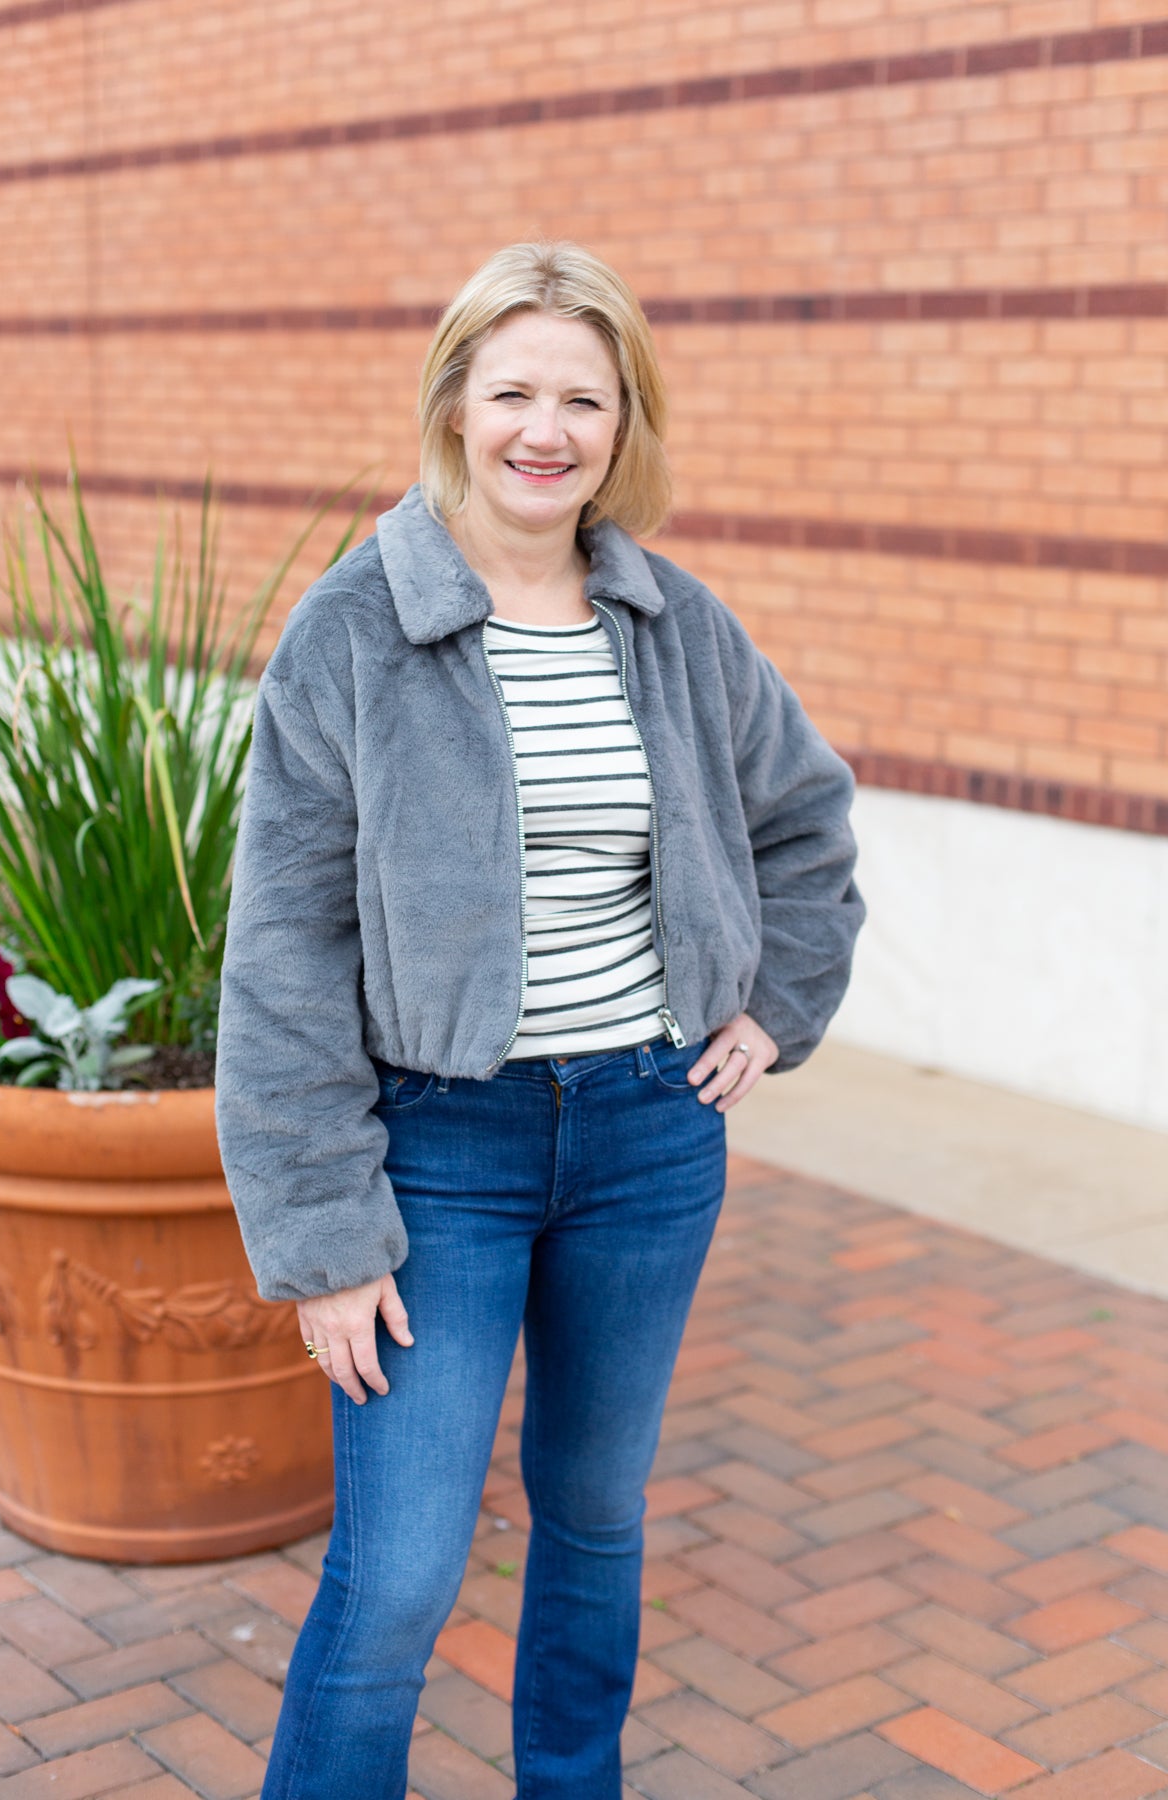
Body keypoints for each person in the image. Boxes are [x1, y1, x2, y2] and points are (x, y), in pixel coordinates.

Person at [215, 240, 865, 1800]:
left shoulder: (671, 622)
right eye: (513, 390)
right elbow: (285, 949)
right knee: (401, 1572)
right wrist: (323, 1236)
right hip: (442, 1154)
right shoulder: (358, 630)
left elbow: (807, 823)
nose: (546, 429)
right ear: (453, 404)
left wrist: (773, 1006)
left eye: (584, 395)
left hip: (650, 1135)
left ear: (624, 418)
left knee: (593, 1518)